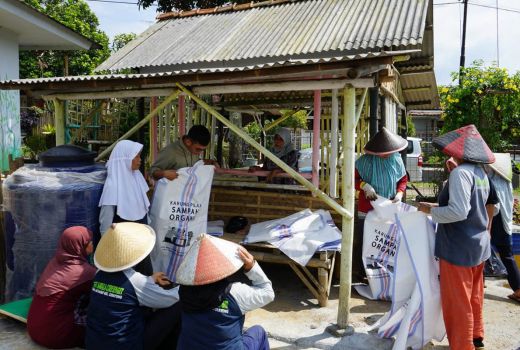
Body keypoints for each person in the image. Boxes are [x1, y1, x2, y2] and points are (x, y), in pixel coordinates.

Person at [418, 124, 495, 350]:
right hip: (478, 245)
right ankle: (476, 336)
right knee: (474, 296)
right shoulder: (481, 172)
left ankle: (462, 345)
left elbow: (459, 212)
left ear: (458, 152)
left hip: (458, 247)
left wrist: (429, 210)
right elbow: (488, 207)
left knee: (458, 301)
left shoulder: (461, 174)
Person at [86, 222, 181, 350]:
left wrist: (150, 279)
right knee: (178, 305)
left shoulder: (98, 274)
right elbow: (171, 298)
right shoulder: (136, 281)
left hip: (94, 343)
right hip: (126, 345)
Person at [175, 234, 275, 350]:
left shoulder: (182, 291)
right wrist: (252, 267)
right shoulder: (236, 293)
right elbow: (268, 293)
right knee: (259, 332)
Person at [27, 226, 96, 349]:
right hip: (57, 335)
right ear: (80, 245)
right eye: (89, 242)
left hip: (33, 328)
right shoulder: (84, 272)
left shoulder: (54, 262)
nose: (92, 244)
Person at [353, 127, 408, 280]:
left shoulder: (396, 159)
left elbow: (403, 179)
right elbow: (352, 180)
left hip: (388, 207)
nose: (387, 155)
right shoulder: (364, 162)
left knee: (384, 242)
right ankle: (362, 274)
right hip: (367, 208)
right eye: (384, 153)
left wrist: (400, 192)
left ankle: (382, 274)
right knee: (364, 240)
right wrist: (364, 186)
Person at [98, 139, 152, 275]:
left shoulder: (137, 179)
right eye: (137, 156)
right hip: (123, 252)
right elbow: (105, 225)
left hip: (141, 247)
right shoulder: (113, 186)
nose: (140, 160)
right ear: (125, 158)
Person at [485, 153, 520, 303]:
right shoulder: (506, 181)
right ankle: (518, 288)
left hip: (496, 221)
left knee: (483, 250)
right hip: (505, 222)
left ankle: (480, 282)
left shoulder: (492, 181)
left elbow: (494, 208)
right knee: (507, 255)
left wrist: (487, 224)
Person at [150, 124, 218, 181]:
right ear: (188, 142)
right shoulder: (171, 152)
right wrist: (164, 174)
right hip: (170, 194)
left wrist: (210, 162)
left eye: (202, 150)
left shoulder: (192, 150)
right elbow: (152, 172)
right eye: (198, 149)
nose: (199, 153)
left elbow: (194, 163)